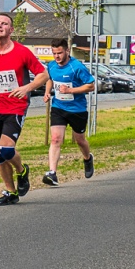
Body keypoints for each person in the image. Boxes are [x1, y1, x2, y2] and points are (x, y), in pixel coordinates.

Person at [0, 13, 47, 204]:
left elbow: (43, 74)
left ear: (11, 29)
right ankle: (11, 192)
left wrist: (27, 87)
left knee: (7, 150)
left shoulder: (22, 52)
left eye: (4, 24)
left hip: (16, 106)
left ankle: (22, 170)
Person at [42, 38, 95, 185]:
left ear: (67, 50)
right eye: (54, 53)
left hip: (77, 109)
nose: (57, 56)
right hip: (59, 107)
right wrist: (47, 92)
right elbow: (50, 79)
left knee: (80, 140)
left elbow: (90, 86)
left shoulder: (77, 67)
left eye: (59, 53)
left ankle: (87, 158)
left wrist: (71, 90)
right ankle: (52, 173)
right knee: (56, 139)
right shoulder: (52, 66)